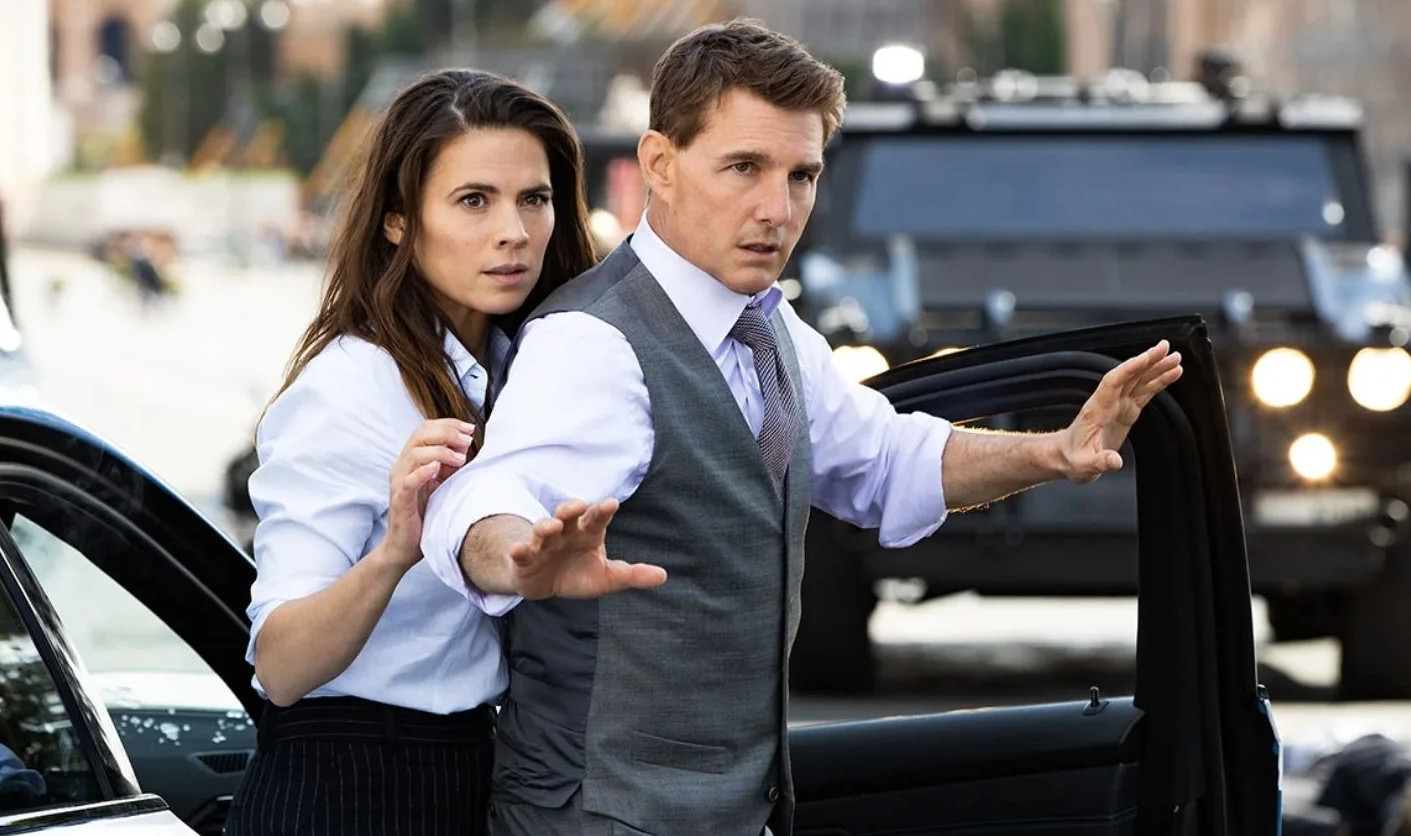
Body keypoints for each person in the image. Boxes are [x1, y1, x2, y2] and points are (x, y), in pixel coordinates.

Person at [420, 19, 1184, 836]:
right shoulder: (593, 343)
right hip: (598, 816)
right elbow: (485, 498)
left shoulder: (769, 327)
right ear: (659, 165)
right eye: (743, 168)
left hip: (735, 809)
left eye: (802, 175)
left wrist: (1053, 453)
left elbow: (889, 462)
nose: (776, 210)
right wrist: (519, 558)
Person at [222, 69, 634, 835]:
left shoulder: (531, 370)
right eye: (473, 200)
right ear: (397, 221)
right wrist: (394, 551)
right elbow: (280, 666)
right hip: (345, 787)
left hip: (475, 766)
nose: (513, 231)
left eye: (533, 198)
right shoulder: (349, 387)